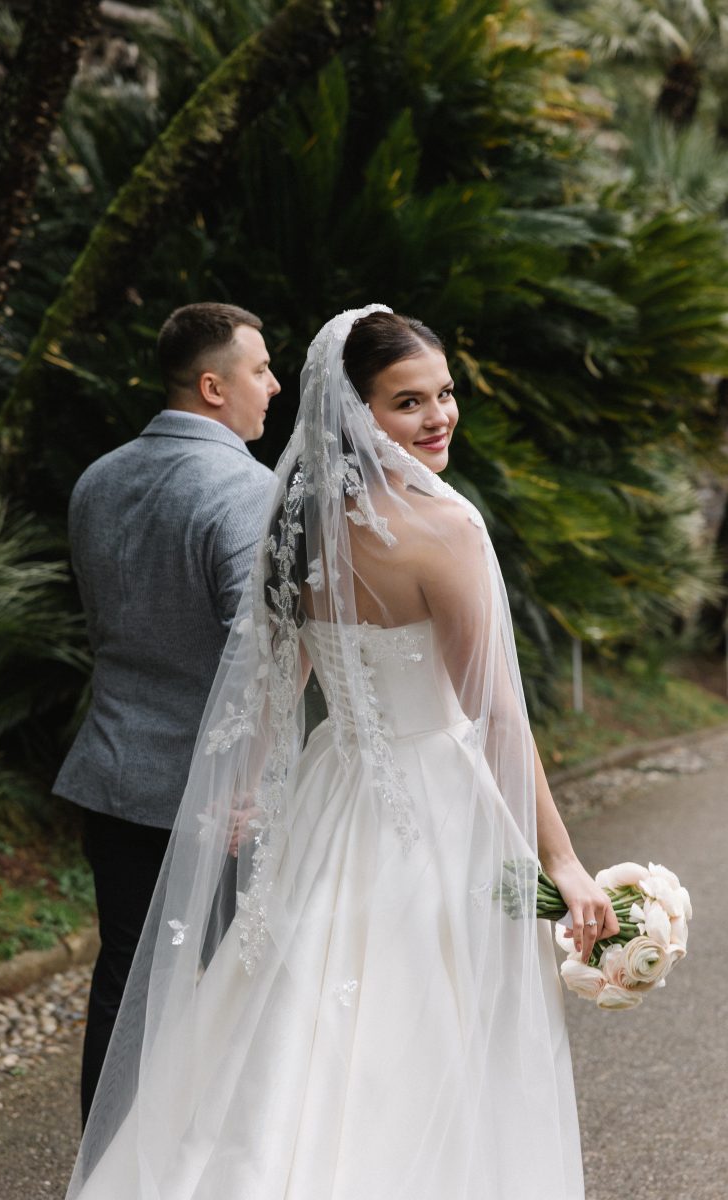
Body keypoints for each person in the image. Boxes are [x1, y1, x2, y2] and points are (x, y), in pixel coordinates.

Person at [66, 304, 618, 1200]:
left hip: (331, 790)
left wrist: (251, 782)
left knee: (287, 1015)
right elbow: (494, 715)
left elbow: (277, 676)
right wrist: (561, 860)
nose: (438, 416)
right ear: (357, 413)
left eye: (444, 393)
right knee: (429, 1028)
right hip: (436, 798)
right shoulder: (445, 528)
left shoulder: (299, 522)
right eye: (408, 402)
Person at [53, 301, 280, 1125]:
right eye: (260, 370)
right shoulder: (246, 490)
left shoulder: (98, 478)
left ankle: (105, 1165)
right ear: (214, 386)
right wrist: (258, 782)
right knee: (240, 992)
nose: (273, 386)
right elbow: (258, 654)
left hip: (113, 776)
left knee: (126, 987)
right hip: (215, 800)